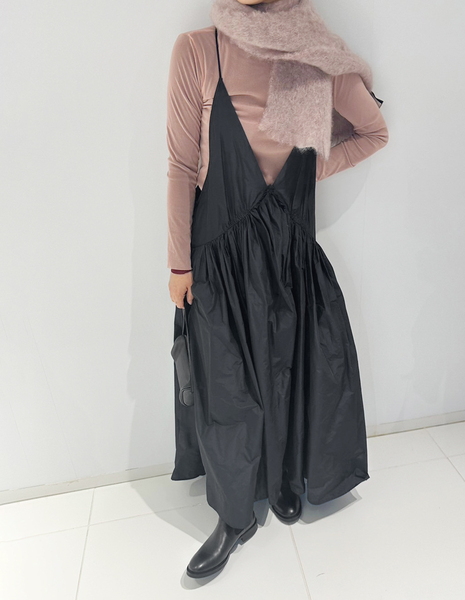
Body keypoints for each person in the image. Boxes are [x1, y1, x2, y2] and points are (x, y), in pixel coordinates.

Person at [166, 0, 389, 579]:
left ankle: (287, 479)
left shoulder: (314, 55)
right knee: (226, 386)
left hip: (288, 250)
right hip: (218, 253)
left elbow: (373, 131)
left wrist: (307, 172)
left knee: (291, 368)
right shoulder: (200, 50)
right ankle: (234, 516)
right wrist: (177, 264)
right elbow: (182, 165)